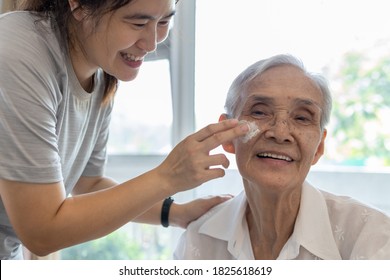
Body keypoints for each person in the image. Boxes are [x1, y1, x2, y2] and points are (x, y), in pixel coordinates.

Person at [0, 0, 251, 260]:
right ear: (79, 6)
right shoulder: (20, 52)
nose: (153, 43)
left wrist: (175, 213)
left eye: (164, 21)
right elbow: (42, 233)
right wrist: (167, 177)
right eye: (138, 23)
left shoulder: (99, 74)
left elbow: (89, 183)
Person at [174, 54, 390, 260]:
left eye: (302, 117)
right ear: (227, 135)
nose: (280, 133)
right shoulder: (199, 240)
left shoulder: (370, 236)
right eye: (259, 112)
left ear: (318, 147)